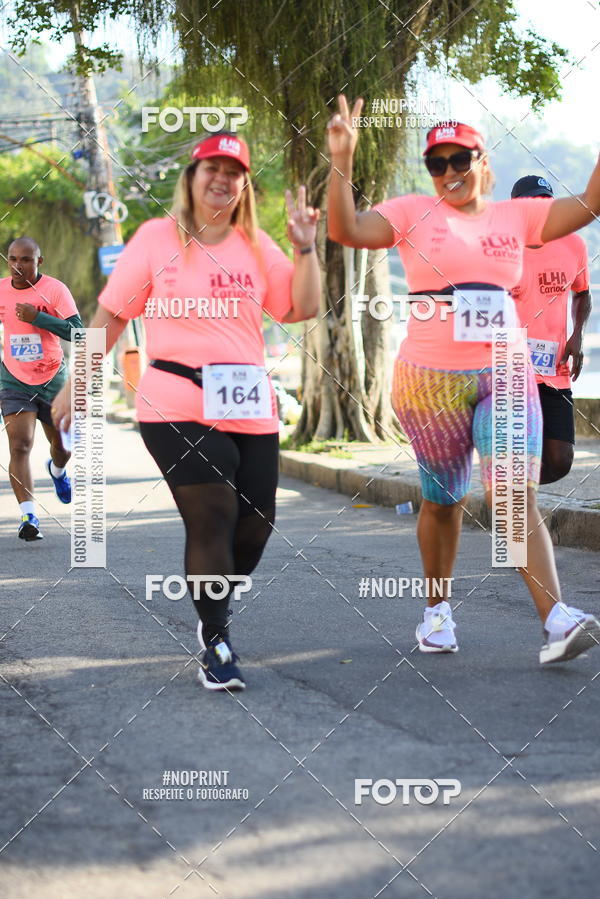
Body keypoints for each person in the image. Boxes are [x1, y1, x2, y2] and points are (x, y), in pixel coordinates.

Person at [327, 96, 600, 665]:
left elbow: (592, 204)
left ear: (483, 161)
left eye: (461, 159)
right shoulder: (410, 212)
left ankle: (555, 619)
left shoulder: (517, 217)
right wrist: (342, 158)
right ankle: (436, 611)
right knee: (444, 500)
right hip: (429, 381)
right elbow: (346, 228)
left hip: (504, 369)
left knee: (513, 494)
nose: (450, 171)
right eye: (438, 163)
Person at [51, 132, 320, 691]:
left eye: (233, 170)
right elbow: (110, 318)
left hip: (248, 401)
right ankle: (217, 640)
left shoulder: (254, 243)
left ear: (243, 184)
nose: (222, 178)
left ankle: (211, 604)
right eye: (211, 168)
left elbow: (303, 306)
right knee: (214, 515)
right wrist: (77, 385)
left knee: (256, 524)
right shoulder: (155, 239)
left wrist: (305, 247)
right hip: (173, 400)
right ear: (192, 178)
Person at [510, 175, 592, 483]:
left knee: (560, 459)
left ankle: (513, 487)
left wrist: (578, 335)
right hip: (509, 367)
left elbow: (582, 293)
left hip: (554, 365)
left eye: (545, 202)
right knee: (517, 450)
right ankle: (516, 501)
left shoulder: (573, 244)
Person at [0, 237, 83, 540]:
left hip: (53, 380)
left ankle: (58, 470)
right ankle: (28, 515)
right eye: (12, 259)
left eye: (25, 259)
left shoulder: (55, 290)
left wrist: (39, 318)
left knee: (65, 446)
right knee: (20, 444)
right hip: (13, 379)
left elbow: (80, 334)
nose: (18, 266)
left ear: (39, 262)